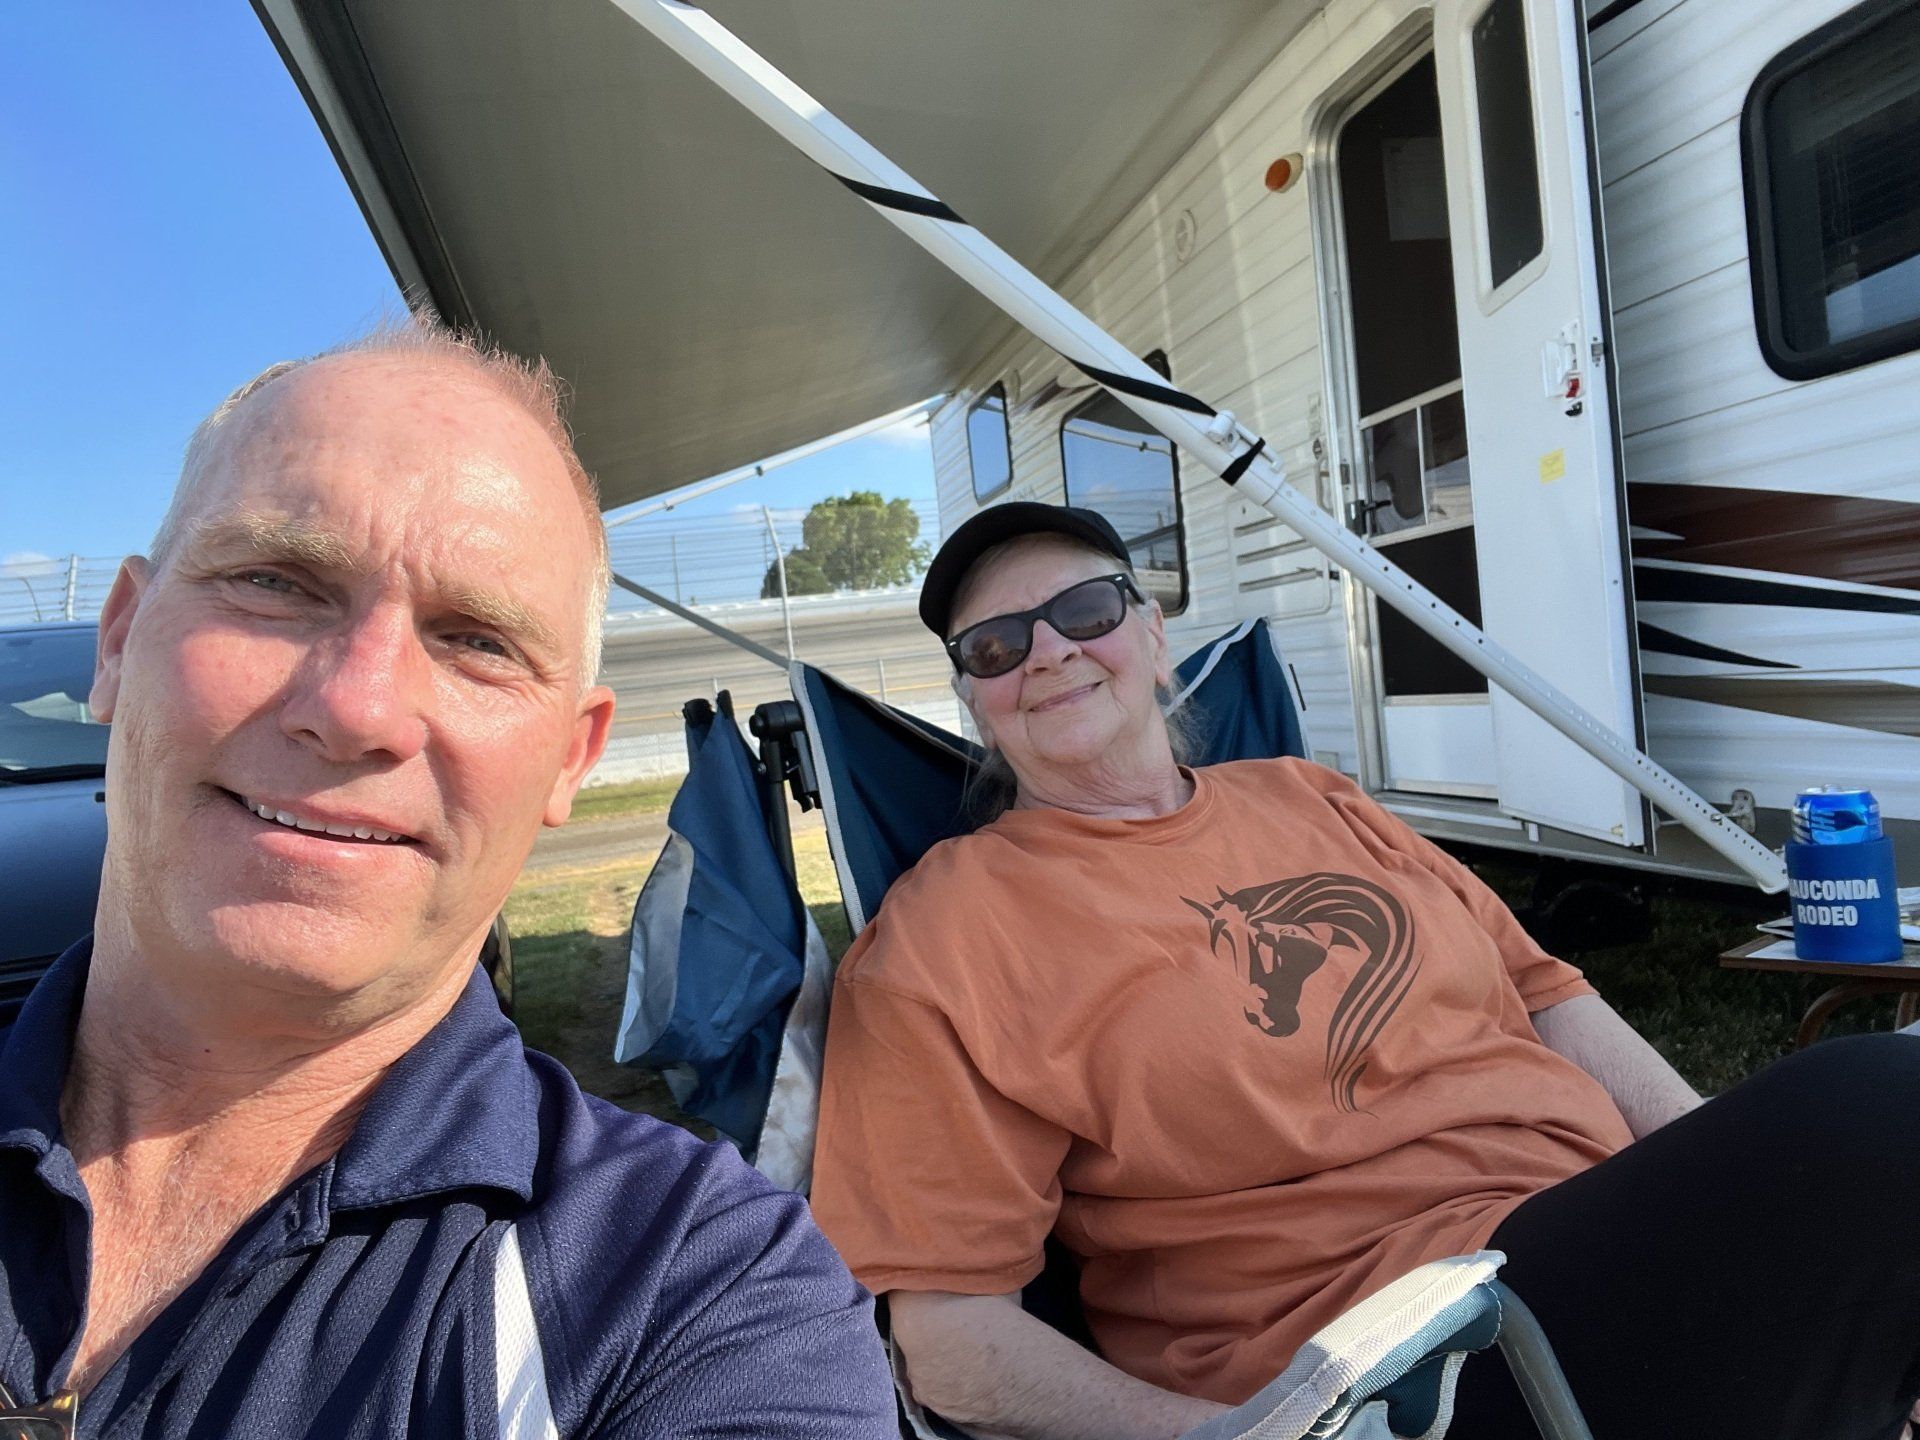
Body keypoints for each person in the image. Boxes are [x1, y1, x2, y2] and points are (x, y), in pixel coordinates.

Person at [809, 500, 1920, 1440]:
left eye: (1083, 612)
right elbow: (946, 1337)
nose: (1046, 652)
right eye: (996, 647)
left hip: (1600, 1237)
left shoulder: (1311, 798)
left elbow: (1547, 996)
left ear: (1151, 638)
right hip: (1404, 1357)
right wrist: (1233, 1439)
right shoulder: (941, 939)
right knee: (1882, 1103)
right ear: (974, 699)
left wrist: (1716, 1163)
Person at [0, 323, 896, 1438]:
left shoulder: (697, 1295)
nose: (357, 708)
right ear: (118, 642)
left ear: (572, 757)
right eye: (274, 581)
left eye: (477, 641)